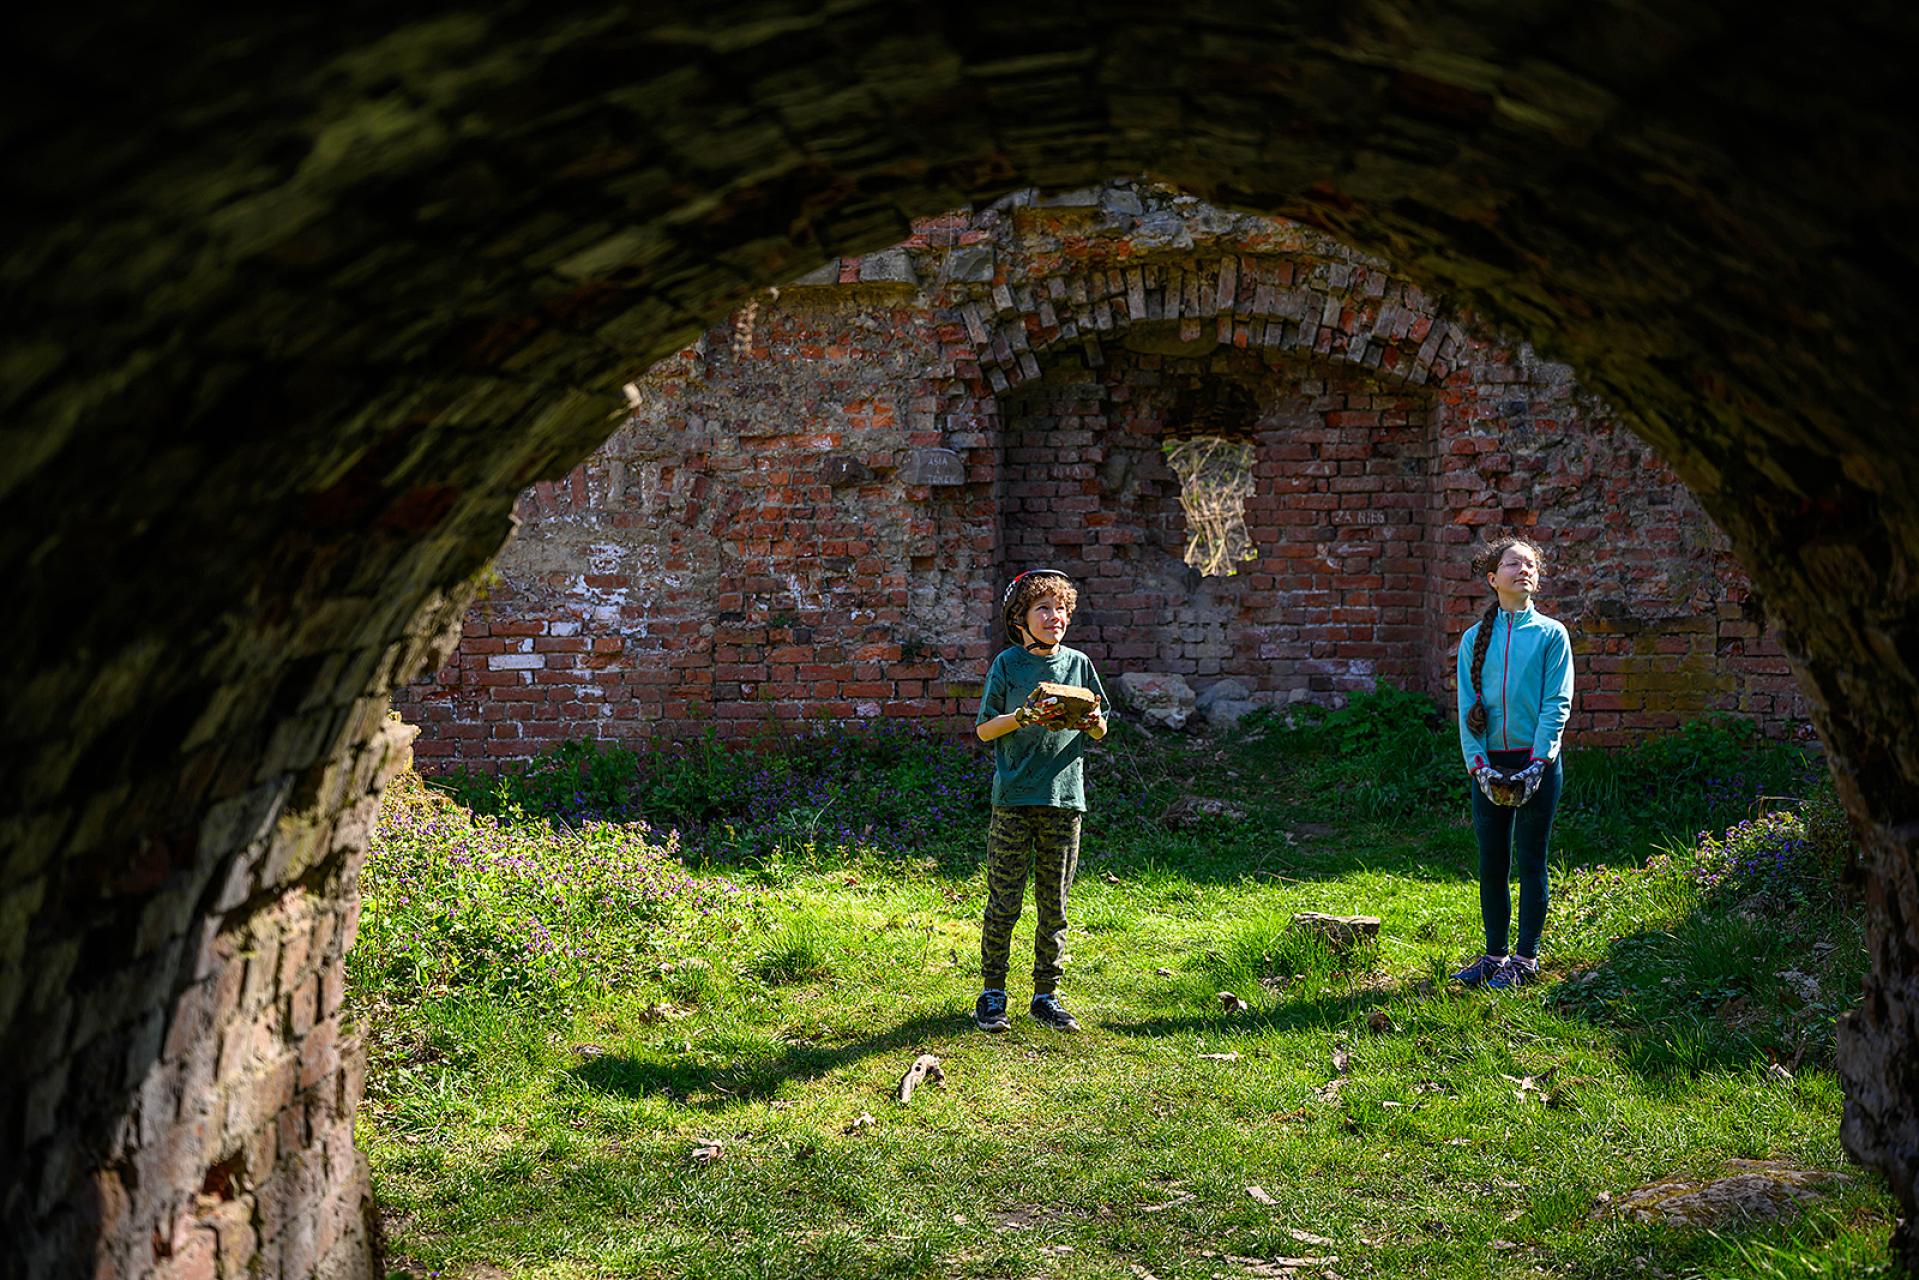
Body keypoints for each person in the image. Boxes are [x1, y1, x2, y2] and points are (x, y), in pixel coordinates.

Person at [972, 569, 1111, 1033]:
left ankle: (1046, 995)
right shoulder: (1007, 666)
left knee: (1055, 906)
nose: (1056, 617)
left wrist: (1091, 719)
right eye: (1044, 608)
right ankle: (993, 993)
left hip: (1064, 799)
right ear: (1020, 618)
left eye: (1062, 608)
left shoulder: (1079, 664)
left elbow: (1101, 727)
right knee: (1004, 901)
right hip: (1013, 799)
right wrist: (1022, 716)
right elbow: (983, 728)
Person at [1450, 536, 1574, 991]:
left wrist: (1539, 762)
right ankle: (1494, 955)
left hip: (1537, 764)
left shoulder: (1551, 634)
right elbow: (1467, 706)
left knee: (1531, 859)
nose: (1523, 570)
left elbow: (1556, 703)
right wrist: (1478, 765)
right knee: (1491, 861)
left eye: (1530, 565)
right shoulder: (1472, 640)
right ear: (1492, 578)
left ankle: (1526, 958)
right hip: (1488, 766)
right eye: (1512, 563)